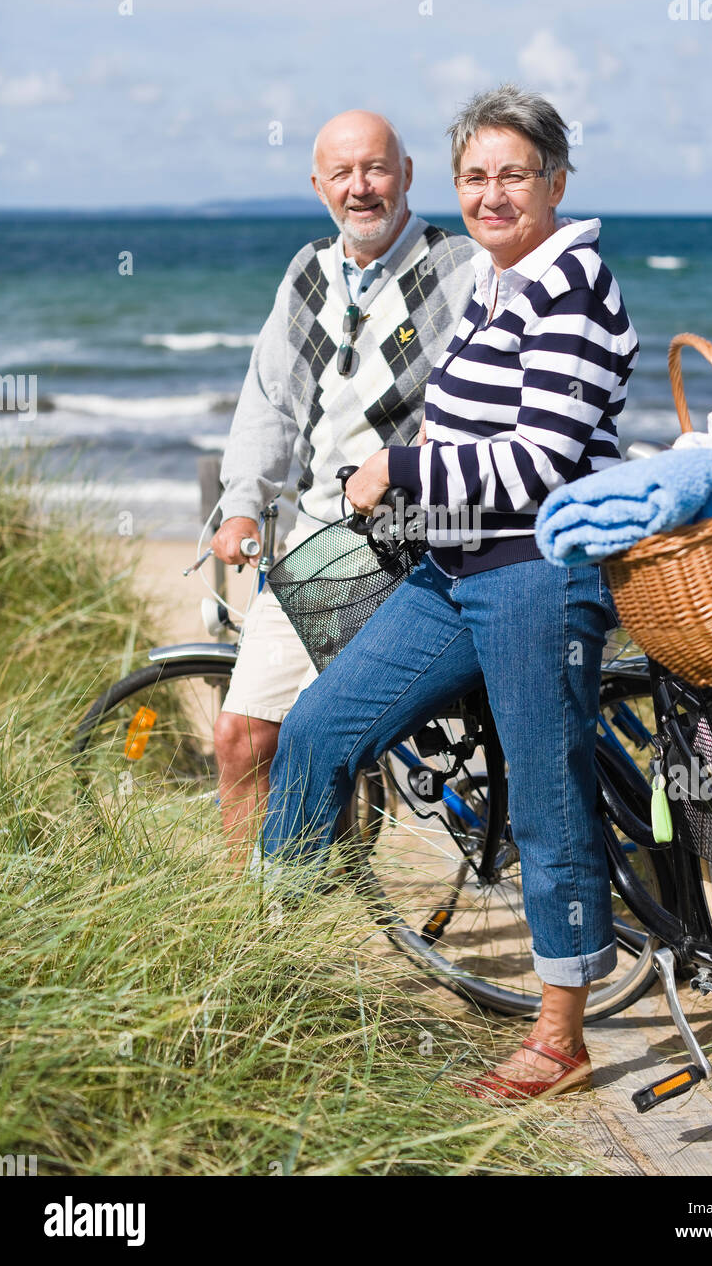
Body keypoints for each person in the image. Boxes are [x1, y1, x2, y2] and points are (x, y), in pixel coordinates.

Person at [261, 84, 639, 1100]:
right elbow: (466, 421)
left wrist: (402, 468)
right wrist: (421, 456)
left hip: (532, 571)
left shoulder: (572, 286)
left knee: (548, 800)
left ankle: (558, 1040)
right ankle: (268, 962)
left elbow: (542, 462)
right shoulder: (491, 282)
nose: (491, 192)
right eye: (475, 175)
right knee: (317, 728)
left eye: (514, 173)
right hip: (450, 569)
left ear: (555, 181)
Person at [212, 109, 477, 863]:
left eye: (376, 169)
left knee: (313, 737)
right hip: (318, 546)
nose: (361, 188)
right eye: (343, 173)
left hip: (413, 542)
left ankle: (296, 912)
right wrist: (239, 504)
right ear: (318, 185)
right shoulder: (307, 274)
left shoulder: (457, 266)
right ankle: (247, 930)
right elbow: (267, 401)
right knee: (240, 738)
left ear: (408, 174)